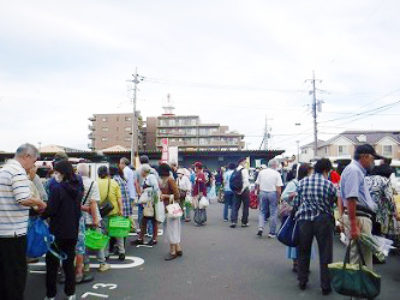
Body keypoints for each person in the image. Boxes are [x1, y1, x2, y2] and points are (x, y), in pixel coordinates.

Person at [0, 144, 46, 300]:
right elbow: (23, 198)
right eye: (34, 161)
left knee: (4, 278)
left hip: (2, 231)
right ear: (27, 156)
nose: (33, 165)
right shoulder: (18, 171)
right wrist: (40, 203)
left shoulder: (4, 170)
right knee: (16, 278)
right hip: (14, 233)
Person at [294, 159, 337, 295]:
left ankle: (302, 280)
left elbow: (296, 202)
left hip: (304, 220)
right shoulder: (329, 185)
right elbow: (333, 203)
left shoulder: (302, 183)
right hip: (323, 220)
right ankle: (325, 286)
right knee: (325, 253)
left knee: (303, 251)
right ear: (326, 170)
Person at [42, 160, 84, 300]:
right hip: (72, 231)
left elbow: (51, 210)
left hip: (56, 232)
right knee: (68, 264)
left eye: (57, 172)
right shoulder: (78, 188)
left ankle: (51, 295)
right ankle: (70, 293)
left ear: (62, 173)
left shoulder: (57, 189)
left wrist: (41, 215)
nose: (55, 175)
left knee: (52, 264)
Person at [341, 144, 380, 270]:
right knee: (359, 260)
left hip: (357, 217)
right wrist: (353, 225)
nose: (373, 161)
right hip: (359, 217)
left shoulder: (353, 170)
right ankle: (357, 289)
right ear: (364, 156)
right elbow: (351, 198)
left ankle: (358, 287)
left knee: (359, 257)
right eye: (372, 158)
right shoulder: (354, 170)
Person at [76, 163, 110, 273]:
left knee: (83, 241)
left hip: (80, 217)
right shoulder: (93, 183)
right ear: (89, 172)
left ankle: (86, 265)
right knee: (98, 240)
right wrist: (95, 219)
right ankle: (102, 263)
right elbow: (94, 202)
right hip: (92, 216)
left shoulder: (75, 183)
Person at [280, 164, 312, 272]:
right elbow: (283, 196)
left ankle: (301, 263)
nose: (311, 174)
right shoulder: (294, 183)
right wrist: (292, 195)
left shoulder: (309, 183)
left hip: (306, 215)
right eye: (310, 172)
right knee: (295, 237)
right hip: (295, 214)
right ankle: (296, 263)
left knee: (304, 239)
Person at [97, 166, 125, 260]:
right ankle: (121, 252)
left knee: (104, 233)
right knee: (118, 232)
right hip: (114, 210)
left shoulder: (96, 183)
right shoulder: (113, 182)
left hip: (102, 212)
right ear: (108, 173)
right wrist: (121, 210)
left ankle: (106, 253)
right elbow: (119, 198)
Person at [133, 164, 160, 246]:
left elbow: (156, 188)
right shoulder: (147, 178)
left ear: (144, 171)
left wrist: (153, 200)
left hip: (151, 203)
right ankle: (140, 238)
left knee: (153, 221)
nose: (140, 172)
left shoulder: (151, 177)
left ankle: (154, 239)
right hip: (148, 203)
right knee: (144, 220)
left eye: (141, 171)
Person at [255, 159, 283, 237]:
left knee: (262, 211)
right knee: (273, 212)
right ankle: (272, 232)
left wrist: (258, 193)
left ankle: (260, 227)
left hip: (262, 192)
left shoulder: (261, 172)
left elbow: (258, 184)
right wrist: (279, 197)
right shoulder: (277, 173)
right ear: (275, 165)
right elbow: (278, 187)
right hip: (272, 193)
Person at [159, 164, 182, 260]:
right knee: (173, 229)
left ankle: (173, 252)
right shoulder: (167, 180)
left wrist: (165, 196)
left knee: (171, 230)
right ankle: (178, 248)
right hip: (169, 208)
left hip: (171, 209)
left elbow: (177, 195)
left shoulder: (169, 180)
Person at [230, 158, 251, 228]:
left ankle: (233, 221)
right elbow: (245, 181)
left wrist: (237, 191)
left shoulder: (235, 170)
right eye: (245, 162)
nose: (245, 164)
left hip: (236, 190)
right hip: (244, 191)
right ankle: (244, 222)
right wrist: (241, 191)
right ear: (241, 162)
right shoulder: (244, 170)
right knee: (245, 207)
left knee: (235, 206)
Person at [119, 157, 138, 227]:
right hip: (131, 194)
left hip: (128, 195)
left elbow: (125, 180)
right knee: (128, 213)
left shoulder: (125, 170)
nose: (119, 165)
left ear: (123, 163)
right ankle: (131, 227)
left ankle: (134, 227)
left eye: (120, 163)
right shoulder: (129, 170)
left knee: (127, 213)